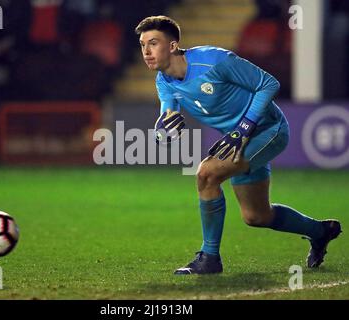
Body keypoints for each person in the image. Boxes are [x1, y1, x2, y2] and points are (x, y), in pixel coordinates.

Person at [135, 15, 342, 275]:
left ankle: (210, 258)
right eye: (142, 45)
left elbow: (268, 83)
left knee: (206, 174)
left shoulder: (214, 61)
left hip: (269, 130)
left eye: (153, 43)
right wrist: (161, 134)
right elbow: (167, 122)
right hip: (238, 142)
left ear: (173, 46)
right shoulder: (163, 82)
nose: (146, 51)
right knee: (256, 216)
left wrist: (243, 129)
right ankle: (321, 231)